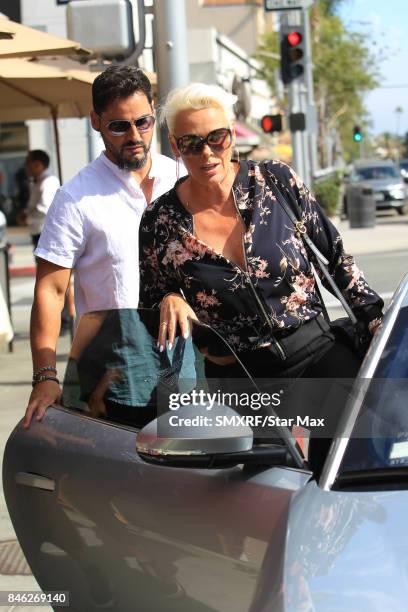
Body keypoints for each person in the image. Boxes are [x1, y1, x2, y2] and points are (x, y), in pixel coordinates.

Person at [138, 83, 384, 472]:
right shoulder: (160, 222)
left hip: (315, 353)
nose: (206, 153)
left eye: (216, 138)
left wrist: (375, 319)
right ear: (174, 145)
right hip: (241, 377)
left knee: (347, 469)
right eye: (191, 143)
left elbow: (336, 258)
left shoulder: (276, 182)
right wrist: (169, 298)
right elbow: (149, 308)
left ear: (232, 134)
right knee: (266, 492)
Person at [23, 65, 183, 428]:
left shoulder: (181, 178)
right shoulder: (75, 198)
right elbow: (51, 289)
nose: (134, 135)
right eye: (119, 126)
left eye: (143, 122)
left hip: (186, 365)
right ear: (96, 121)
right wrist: (45, 375)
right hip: (113, 375)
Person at [22, 150, 60, 249]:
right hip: (39, 233)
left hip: (45, 234)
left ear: (38, 165)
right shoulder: (38, 181)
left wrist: (26, 218)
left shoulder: (49, 182)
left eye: (27, 163)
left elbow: (44, 210)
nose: (25, 166)